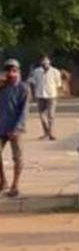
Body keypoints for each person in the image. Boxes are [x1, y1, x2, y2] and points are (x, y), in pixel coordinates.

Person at [0, 59, 28, 197]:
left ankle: (15, 185)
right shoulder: (2, 86)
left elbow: (24, 111)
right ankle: (3, 181)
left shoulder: (23, 88)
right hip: (1, 126)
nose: (11, 74)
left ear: (18, 72)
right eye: (8, 71)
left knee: (17, 157)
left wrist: (16, 129)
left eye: (14, 71)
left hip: (16, 128)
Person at [26, 55, 63, 140]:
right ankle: (46, 132)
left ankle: (51, 133)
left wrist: (59, 95)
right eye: (43, 61)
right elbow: (32, 82)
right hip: (40, 95)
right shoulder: (36, 71)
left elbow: (58, 84)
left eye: (46, 61)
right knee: (42, 115)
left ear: (49, 62)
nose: (45, 63)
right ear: (41, 62)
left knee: (51, 115)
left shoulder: (55, 72)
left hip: (52, 95)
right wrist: (33, 94)